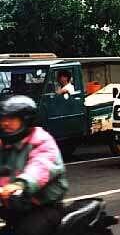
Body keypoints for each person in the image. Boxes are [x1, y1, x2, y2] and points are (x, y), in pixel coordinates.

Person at [0, 96, 68, 235]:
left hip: (42, 206)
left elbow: (40, 167)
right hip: (12, 205)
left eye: (11, 119)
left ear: (26, 120)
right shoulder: (4, 143)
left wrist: (20, 184)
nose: (5, 123)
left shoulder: (42, 141)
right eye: (3, 118)